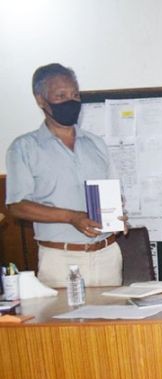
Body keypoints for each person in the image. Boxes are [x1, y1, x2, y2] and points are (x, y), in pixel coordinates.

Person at [6, 63, 126, 288]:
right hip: (61, 260)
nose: (71, 101)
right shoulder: (24, 147)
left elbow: (113, 194)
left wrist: (119, 215)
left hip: (108, 255)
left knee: (112, 323)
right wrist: (72, 217)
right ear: (41, 100)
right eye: (61, 96)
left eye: (75, 95)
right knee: (63, 323)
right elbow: (17, 206)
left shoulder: (96, 144)